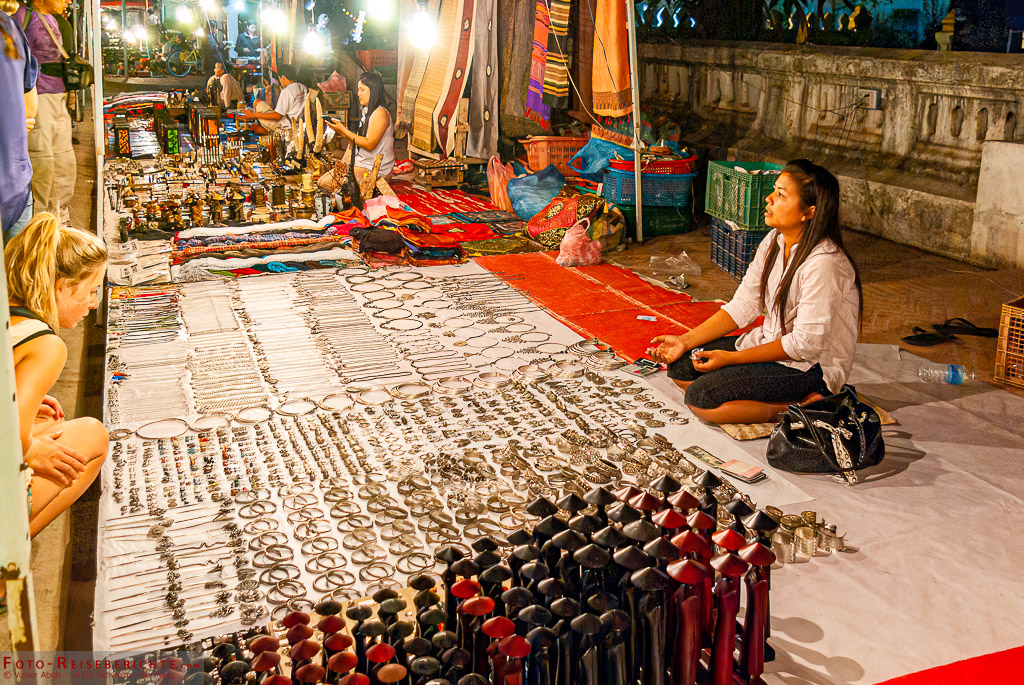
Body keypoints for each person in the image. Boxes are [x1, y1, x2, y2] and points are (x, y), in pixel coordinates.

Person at [648, 159, 862, 425]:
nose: (768, 199)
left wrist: (732, 359)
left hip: (811, 367)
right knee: (680, 365)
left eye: (781, 195)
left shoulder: (825, 262)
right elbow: (743, 305)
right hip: (771, 345)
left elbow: (803, 345)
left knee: (700, 398)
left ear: (809, 212)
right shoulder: (775, 240)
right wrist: (686, 340)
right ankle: (764, 396)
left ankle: (800, 407)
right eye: (774, 190)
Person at [5, 213, 109, 538]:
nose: (93, 304)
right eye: (90, 291)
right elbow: (9, 441)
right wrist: (31, 447)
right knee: (93, 436)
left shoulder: (10, 310)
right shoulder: (47, 347)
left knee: (50, 423)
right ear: (62, 288)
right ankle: (11, 551)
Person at [14, 0, 76, 224]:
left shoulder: (57, 21)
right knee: (43, 161)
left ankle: (60, 219)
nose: (68, 1)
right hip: (37, 98)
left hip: (58, 96)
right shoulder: (22, 16)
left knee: (64, 160)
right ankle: (41, 223)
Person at [0, 9, 39, 239]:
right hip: (14, 184)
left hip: (15, 182)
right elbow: (30, 110)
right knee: (18, 272)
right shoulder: (9, 27)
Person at [325, 71, 394, 184]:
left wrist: (343, 130)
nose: (358, 94)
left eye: (362, 90)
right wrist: (341, 131)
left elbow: (369, 144)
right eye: (358, 89)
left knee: (326, 183)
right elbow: (359, 140)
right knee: (322, 181)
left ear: (374, 91)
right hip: (363, 163)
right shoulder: (367, 111)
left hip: (374, 170)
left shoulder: (380, 113)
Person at [242, 63, 307, 133]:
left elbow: (278, 116)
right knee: (257, 102)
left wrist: (253, 115)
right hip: (297, 121)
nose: (281, 82)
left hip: (286, 125)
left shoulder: (287, 91)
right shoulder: (302, 87)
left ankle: (269, 134)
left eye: (280, 79)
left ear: (283, 77)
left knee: (254, 126)